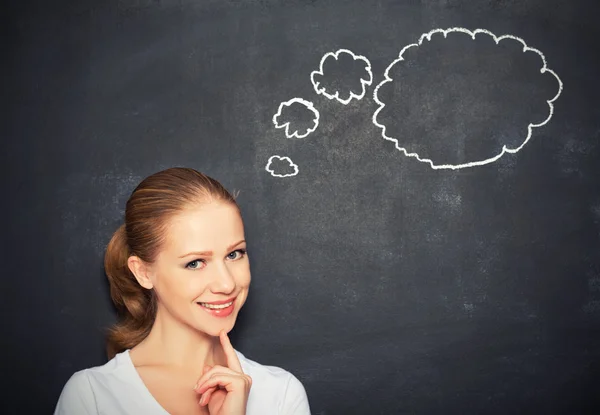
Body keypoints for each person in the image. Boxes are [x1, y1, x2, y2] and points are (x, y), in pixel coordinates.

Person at [54, 167, 311, 415]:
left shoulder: (281, 394)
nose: (227, 284)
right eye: (195, 263)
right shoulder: (93, 397)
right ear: (143, 272)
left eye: (234, 254)